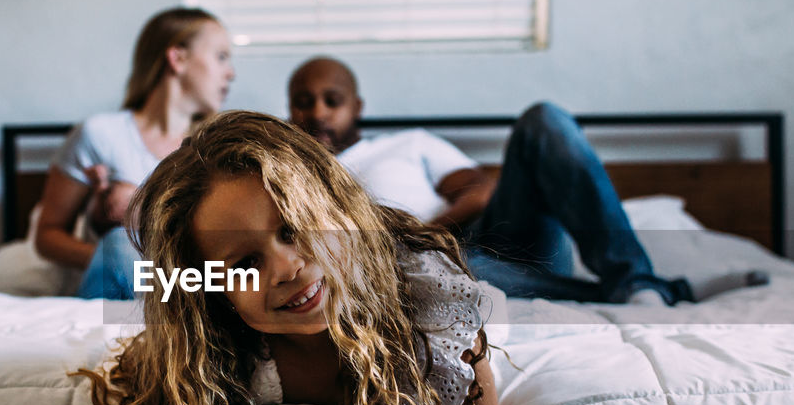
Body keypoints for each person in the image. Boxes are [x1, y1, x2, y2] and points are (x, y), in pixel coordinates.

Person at [78, 111, 499, 405]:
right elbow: (139, 380)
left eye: (294, 229)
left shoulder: (426, 293)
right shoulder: (220, 340)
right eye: (245, 265)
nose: (286, 269)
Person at [287, 56, 764, 304]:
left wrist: (432, 229)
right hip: (428, 270)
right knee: (421, 276)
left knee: (545, 120)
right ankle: (658, 291)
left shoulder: (409, 142)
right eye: (304, 101)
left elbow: (482, 189)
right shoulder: (289, 173)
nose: (318, 112)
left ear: (358, 107)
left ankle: (633, 277)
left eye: (332, 99)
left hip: (492, 237)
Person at [34, 7, 235, 298]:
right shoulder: (100, 135)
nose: (231, 73)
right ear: (177, 58)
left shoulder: (215, 148)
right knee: (120, 243)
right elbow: (47, 237)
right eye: (221, 57)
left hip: (189, 288)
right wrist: (115, 255)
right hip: (112, 293)